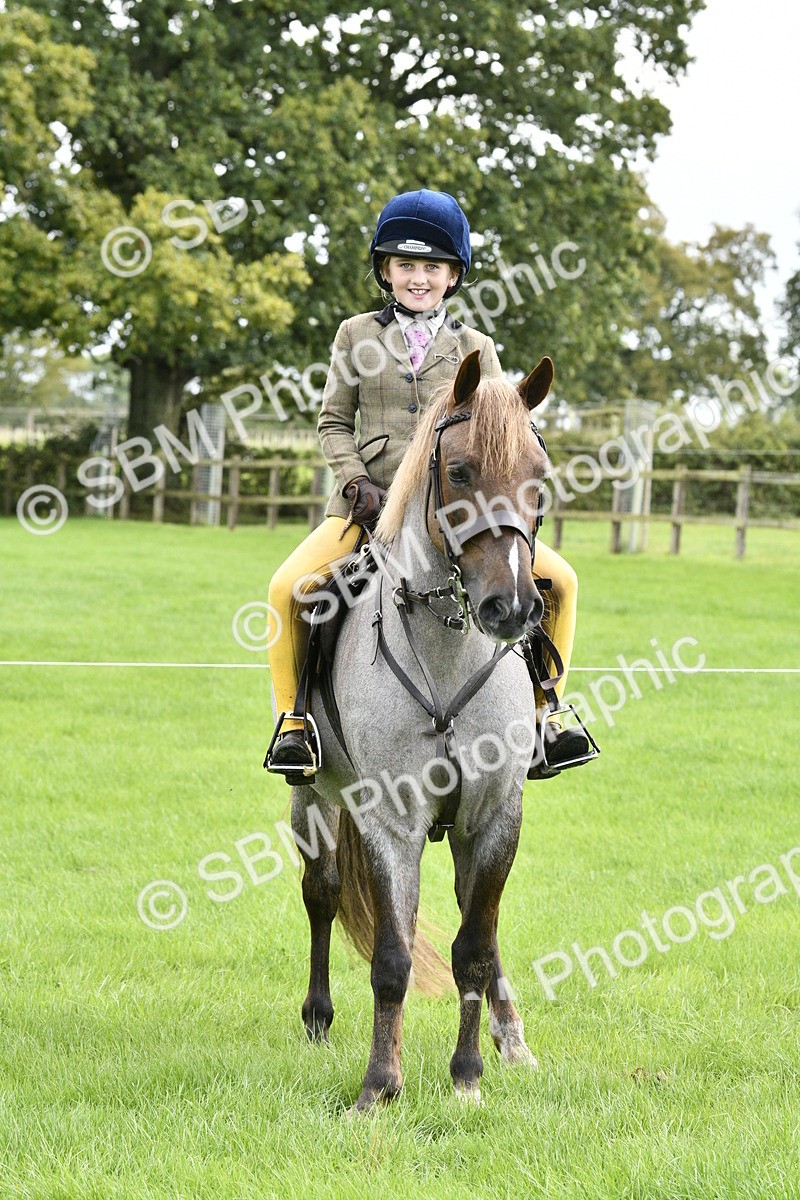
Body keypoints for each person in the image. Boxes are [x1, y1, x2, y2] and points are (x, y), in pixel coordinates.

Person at [265, 188, 590, 779]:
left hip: (457, 513)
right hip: (370, 508)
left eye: (432, 267)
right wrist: (356, 480)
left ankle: (547, 714)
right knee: (288, 587)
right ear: (385, 270)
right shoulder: (355, 335)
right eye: (406, 265)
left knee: (561, 582)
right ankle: (294, 724)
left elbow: (501, 430)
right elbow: (333, 420)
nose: (419, 278)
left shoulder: (475, 347)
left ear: (453, 275)